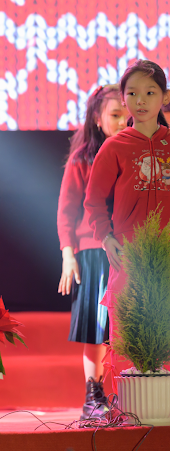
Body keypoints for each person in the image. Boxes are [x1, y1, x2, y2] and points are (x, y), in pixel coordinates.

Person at [84, 60, 170, 380]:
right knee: (128, 344)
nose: (141, 100)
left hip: (167, 256)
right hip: (128, 257)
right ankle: (130, 407)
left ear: (165, 97)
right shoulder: (114, 147)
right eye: (132, 93)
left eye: (150, 92)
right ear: (123, 98)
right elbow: (94, 201)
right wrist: (106, 238)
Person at [57, 84, 129, 419]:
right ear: (98, 119)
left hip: (132, 249)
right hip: (94, 251)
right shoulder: (83, 159)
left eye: (126, 114)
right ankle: (93, 396)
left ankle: (127, 394)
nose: (123, 121)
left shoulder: (137, 152)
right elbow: (67, 209)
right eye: (115, 115)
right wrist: (67, 253)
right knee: (96, 329)